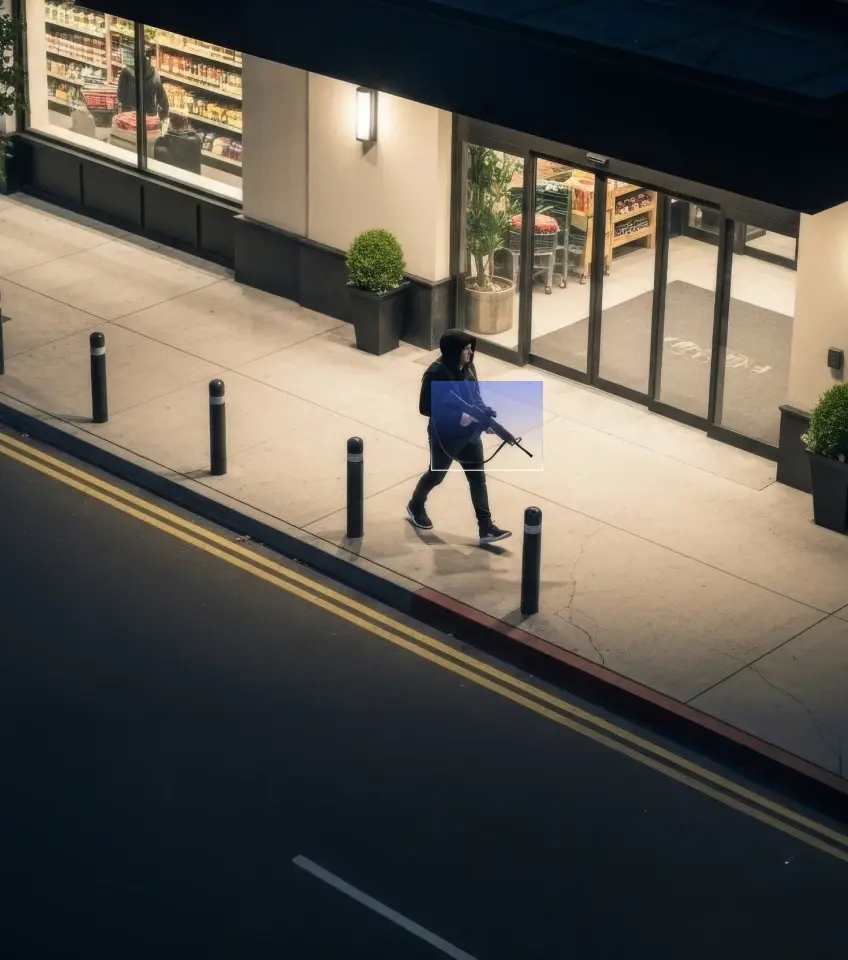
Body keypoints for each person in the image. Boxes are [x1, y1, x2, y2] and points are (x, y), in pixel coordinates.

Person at [407, 329, 512, 544]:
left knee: (477, 479)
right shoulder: (435, 373)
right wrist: (459, 415)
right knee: (436, 475)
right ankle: (416, 505)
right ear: (454, 351)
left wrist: (485, 419)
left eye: (471, 348)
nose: (470, 352)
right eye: (466, 349)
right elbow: (425, 407)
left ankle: (486, 527)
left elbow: (475, 397)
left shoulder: (468, 367)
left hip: (469, 434)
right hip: (445, 435)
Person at [116, 47, 169, 121]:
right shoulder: (154, 74)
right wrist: (163, 115)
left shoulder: (125, 72)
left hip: (130, 114)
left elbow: (121, 96)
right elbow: (162, 98)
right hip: (149, 115)